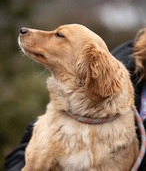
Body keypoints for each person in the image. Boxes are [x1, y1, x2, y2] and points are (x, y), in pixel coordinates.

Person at [4, 27, 146, 171]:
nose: (28, 31)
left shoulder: (102, 63)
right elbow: (21, 152)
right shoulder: (127, 56)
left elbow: (103, 88)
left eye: (59, 35)